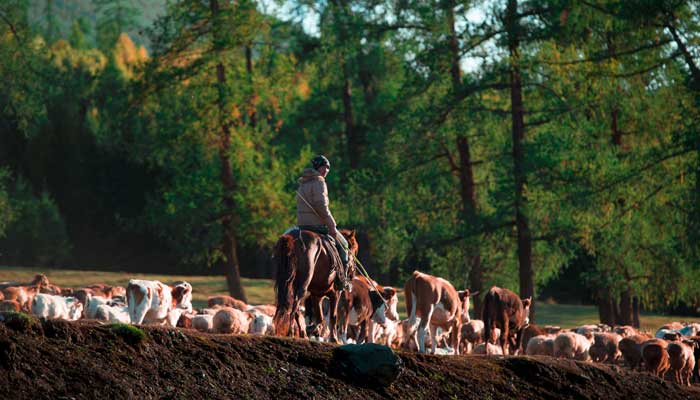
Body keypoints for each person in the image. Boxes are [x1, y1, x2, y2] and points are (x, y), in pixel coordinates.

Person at [296, 155, 349, 271]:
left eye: (328, 168)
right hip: (317, 226)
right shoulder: (320, 182)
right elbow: (321, 206)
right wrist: (332, 225)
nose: (326, 170)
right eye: (323, 167)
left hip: (302, 226)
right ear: (317, 168)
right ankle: (343, 278)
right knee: (344, 244)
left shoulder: (303, 183)